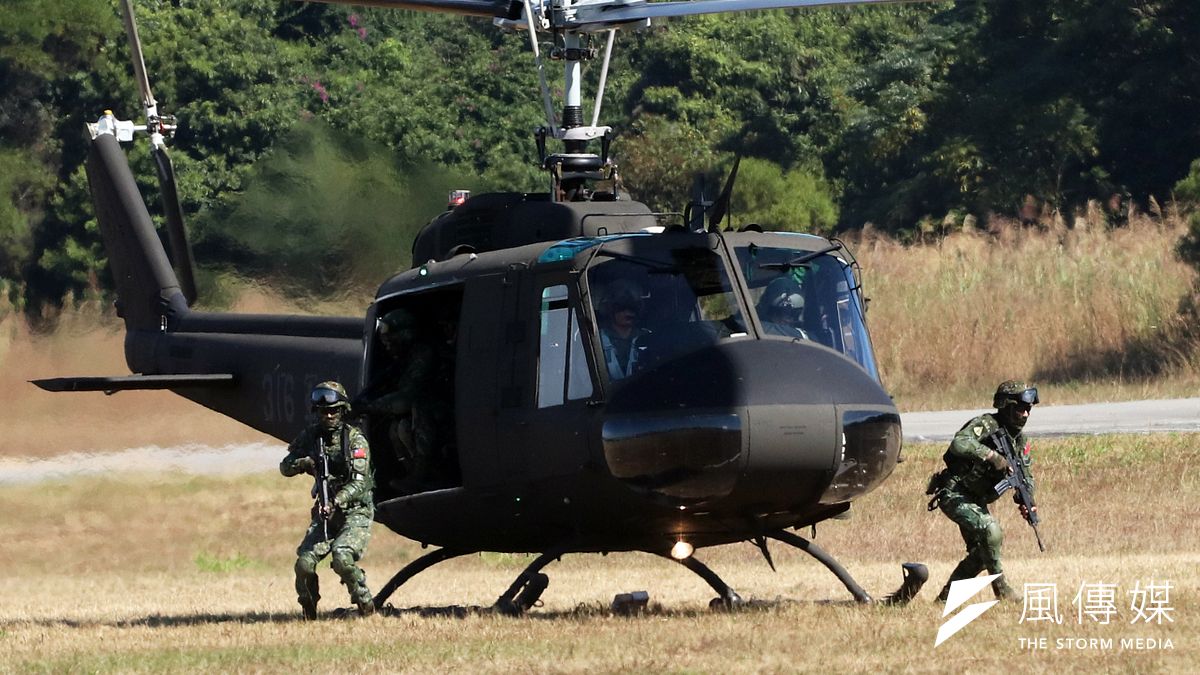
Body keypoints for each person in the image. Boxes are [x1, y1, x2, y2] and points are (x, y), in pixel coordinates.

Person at [928, 380, 1039, 601]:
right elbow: (960, 443)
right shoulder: (987, 425)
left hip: (976, 500)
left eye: (1028, 409)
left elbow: (1026, 475)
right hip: (954, 492)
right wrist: (993, 457)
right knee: (992, 531)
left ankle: (944, 600)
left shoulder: (1019, 441)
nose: (1026, 414)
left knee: (983, 553)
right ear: (1006, 406)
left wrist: (1028, 501)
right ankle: (1002, 590)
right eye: (1020, 408)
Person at [280, 381, 376, 619]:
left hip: (355, 512)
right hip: (325, 512)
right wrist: (305, 464)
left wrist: (336, 501)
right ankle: (309, 612)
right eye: (324, 411)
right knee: (304, 564)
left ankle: (365, 603)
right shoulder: (312, 436)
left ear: (342, 410)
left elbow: (358, 484)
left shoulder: (355, 440)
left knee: (342, 558)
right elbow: (285, 467)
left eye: (334, 410)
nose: (329, 415)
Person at [354, 308, 442, 486]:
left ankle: (422, 476)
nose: (387, 344)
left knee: (418, 412)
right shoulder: (403, 360)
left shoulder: (424, 355)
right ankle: (414, 474)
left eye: (390, 339)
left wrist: (368, 407)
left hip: (440, 411)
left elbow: (408, 398)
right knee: (398, 428)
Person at [598, 279, 650, 380]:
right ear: (610, 308)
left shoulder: (648, 337)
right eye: (622, 306)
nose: (628, 312)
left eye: (633, 307)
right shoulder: (596, 340)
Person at [756, 275, 808, 339]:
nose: (787, 319)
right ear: (769, 312)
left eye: (794, 313)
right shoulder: (754, 330)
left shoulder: (807, 336)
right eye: (780, 313)